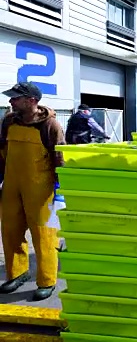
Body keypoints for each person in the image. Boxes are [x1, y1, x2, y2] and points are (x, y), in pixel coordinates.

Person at [0, 82, 65, 300]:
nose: (11, 101)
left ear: (32, 101)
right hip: (11, 184)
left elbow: (59, 158)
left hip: (40, 187)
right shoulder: (9, 121)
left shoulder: (50, 125)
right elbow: (2, 150)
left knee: (44, 234)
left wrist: (59, 188)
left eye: (16, 98)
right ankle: (17, 273)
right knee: (10, 230)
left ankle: (47, 280)